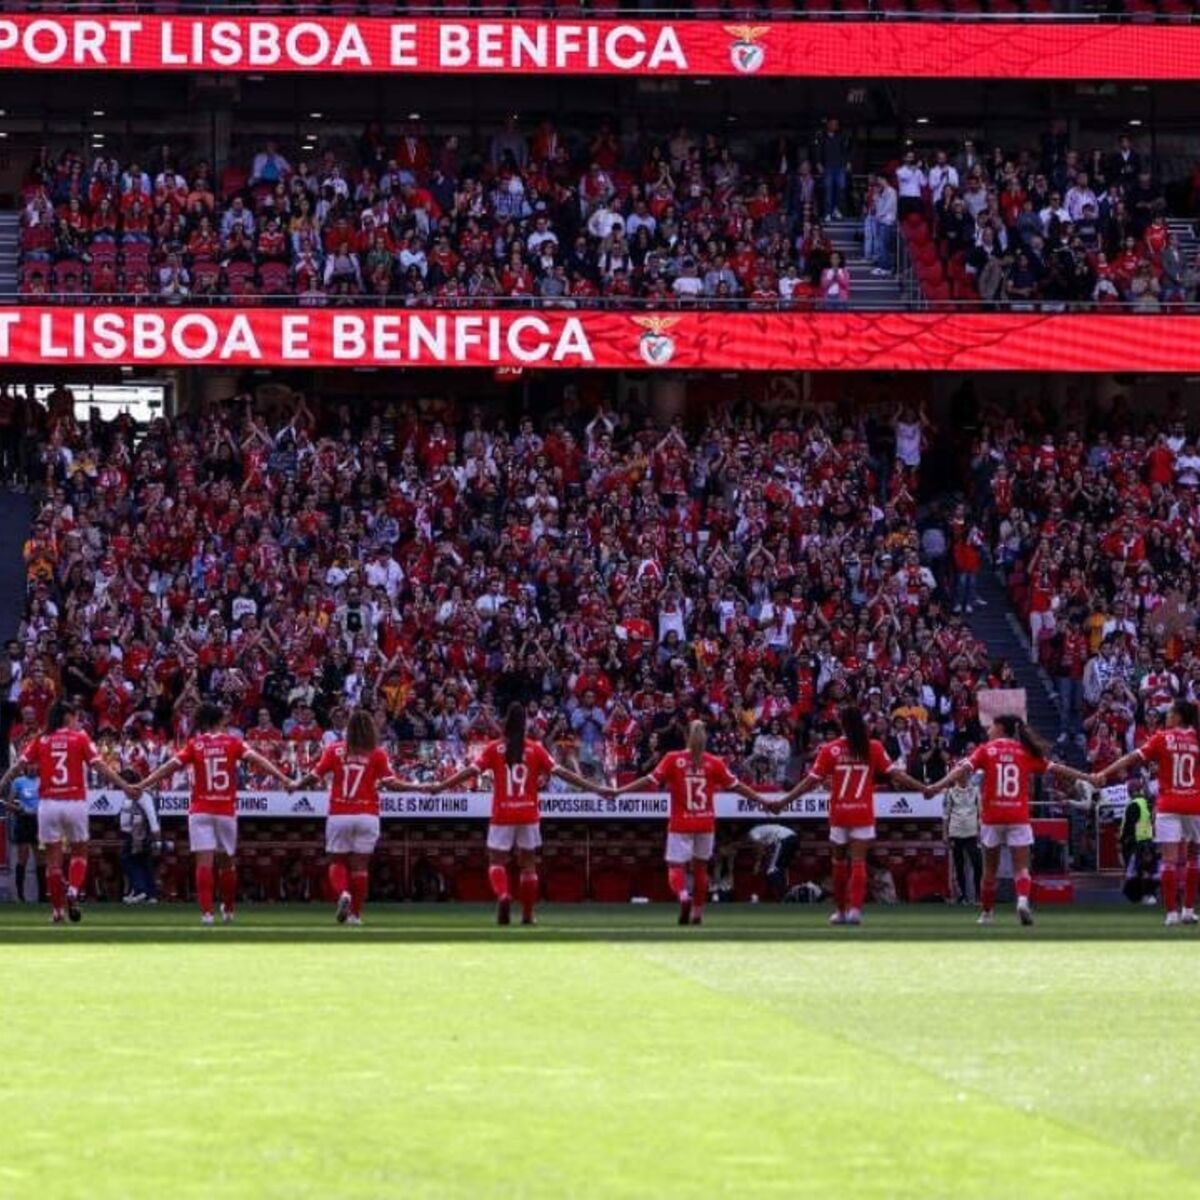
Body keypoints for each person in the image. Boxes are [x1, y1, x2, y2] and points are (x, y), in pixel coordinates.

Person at [416, 702, 595, 925]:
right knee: (529, 865)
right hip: (528, 813)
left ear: (505, 723)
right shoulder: (535, 749)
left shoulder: (494, 748)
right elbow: (561, 772)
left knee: (496, 861)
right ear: (525, 724)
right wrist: (593, 787)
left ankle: (503, 894)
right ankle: (528, 915)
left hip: (503, 813)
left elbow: (470, 771)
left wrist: (440, 786)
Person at [767, 706, 926, 926]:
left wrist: (784, 801)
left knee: (839, 862)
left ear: (842, 723)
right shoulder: (873, 747)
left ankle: (840, 912)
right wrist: (924, 788)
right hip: (862, 811)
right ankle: (855, 911)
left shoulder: (831, 749)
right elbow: (897, 775)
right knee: (859, 862)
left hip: (840, 812)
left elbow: (809, 782)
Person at [927, 714, 1089, 927]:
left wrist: (937, 786)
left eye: (991, 726)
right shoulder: (1025, 751)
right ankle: (1022, 901)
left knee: (989, 870)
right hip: (1018, 815)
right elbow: (1057, 769)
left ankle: (987, 914)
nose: (988, 731)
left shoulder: (986, 750)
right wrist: (1088, 778)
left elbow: (962, 769)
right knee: (1021, 867)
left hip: (992, 816)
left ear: (1000, 728)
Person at [136, 703, 291, 925]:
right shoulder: (232, 742)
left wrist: (144, 783)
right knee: (227, 864)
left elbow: (170, 766)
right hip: (225, 810)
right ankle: (228, 911)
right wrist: (283, 778)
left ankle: (207, 914)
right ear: (221, 721)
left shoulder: (195, 744)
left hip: (200, 810)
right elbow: (258, 759)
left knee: (204, 864)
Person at [614, 720, 767, 926]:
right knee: (701, 869)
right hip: (705, 822)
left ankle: (684, 895)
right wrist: (765, 801)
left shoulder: (672, 759)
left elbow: (649, 780)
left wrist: (619, 792)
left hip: (680, 823)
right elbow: (738, 786)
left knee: (675, 866)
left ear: (686, 736)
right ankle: (697, 913)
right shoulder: (715, 762)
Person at [0, 700, 136, 924]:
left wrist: (2, 782)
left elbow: (18, 767)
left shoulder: (41, 739)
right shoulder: (80, 737)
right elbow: (100, 766)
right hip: (74, 803)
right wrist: (125, 786)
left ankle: (57, 912)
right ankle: (73, 890)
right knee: (80, 852)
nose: (77, 722)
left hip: (48, 805)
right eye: (75, 717)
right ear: (67, 718)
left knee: (53, 861)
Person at [289, 708, 404, 927]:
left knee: (337, 860)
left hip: (340, 813)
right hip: (368, 815)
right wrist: (423, 787)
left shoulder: (334, 750)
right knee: (360, 867)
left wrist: (295, 786)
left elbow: (315, 776)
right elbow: (392, 782)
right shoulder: (377, 753)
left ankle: (343, 893)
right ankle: (355, 915)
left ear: (348, 729)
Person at [1091, 699, 1200, 927]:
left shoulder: (1162, 738)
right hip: (1194, 804)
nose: (1166, 717)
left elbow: (1131, 758)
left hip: (1169, 803)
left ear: (1179, 716)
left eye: (1170, 713)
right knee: (1192, 859)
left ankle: (1171, 914)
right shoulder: (1196, 739)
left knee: (1169, 861)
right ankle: (1189, 910)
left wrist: (1104, 772)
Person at [118, 768, 160, 904]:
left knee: (128, 859)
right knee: (143, 862)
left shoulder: (142, 794)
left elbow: (151, 815)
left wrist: (156, 836)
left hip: (139, 835)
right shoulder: (130, 796)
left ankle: (140, 890)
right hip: (132, 833)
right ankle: (150, 894)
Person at [943, 769, 982, 904]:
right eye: (960, 775)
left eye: (966, 775)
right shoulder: (951, 792)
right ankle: (963, 896)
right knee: (959, 866)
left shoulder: (976, 791)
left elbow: (980, 813)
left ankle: (978, 895)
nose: (963, 777)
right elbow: (946, 815)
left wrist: (980, 831)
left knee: (978, 864)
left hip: (971, 833)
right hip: (956, 832)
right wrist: (945, 834)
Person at [744, 822, 799, 901]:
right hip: (793, 838)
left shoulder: (752, 833)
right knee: (781, 869)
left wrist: (758, 863)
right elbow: (769, 850)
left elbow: (760, 847)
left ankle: (783, 896)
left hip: (784, 839)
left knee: (771, 870)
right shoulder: (764, 833)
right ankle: (787, 895)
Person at [8, 766, 39, 901]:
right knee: (23, 858)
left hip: (39, 821)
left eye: (36, 765)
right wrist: (20, 809)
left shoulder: (43, 781)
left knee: (41, 859)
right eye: (31, 765)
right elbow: (9, 804)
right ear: (26, 767)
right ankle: (20, 895)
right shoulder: (18, 782)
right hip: (24, 821)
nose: (33, 768)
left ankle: (43, 896)